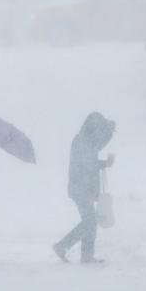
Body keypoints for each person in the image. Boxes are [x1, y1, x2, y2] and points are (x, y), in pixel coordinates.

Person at [53, 112, 116, 264]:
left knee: (90, 222)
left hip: (83, 188)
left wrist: (104, 163)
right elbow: (87, 165)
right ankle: (63, 246)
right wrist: (103, 163)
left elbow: (89, 163)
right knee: (90, 222)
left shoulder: (86, 140)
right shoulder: (83, 141)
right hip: (81, 189)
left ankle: (86, 255)